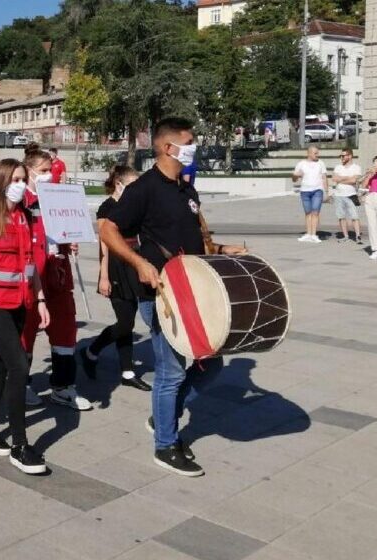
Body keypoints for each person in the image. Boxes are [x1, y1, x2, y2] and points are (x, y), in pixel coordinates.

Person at [100, 117, 247, 477]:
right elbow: (106, 228)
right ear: (168, 147)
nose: (194, 146)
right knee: (170, 373)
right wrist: (139, 263)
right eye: (189, 141)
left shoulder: (187, 191)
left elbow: (198, 239)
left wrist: (225, 249)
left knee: (210, 364)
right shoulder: (144, 189)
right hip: (161, 293)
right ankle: (166, 445)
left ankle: (162, 414)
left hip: (193, 290)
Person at [0, 158, 50, 474]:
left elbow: (31, 265)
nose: (20, 184)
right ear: (1, 182)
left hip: (21, 303)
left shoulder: (25, 217)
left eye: (22, 178)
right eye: (14, 179)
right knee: (19, 366)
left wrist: (40, 299)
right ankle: (20, 444)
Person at [20, 146, 91, 410]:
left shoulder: (59, 197)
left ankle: (63, 386)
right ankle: (21, 384)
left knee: (65, 329)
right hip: (32, 275)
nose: (50, 175)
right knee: (26, 332)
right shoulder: (20, 200)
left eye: (51, 170)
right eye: (43, 171)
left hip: (58, 272)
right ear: (29, 171)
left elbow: (64, 227)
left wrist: (70, 239)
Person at [81, 165, 151, 391]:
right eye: (133, 185)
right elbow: (105, 245)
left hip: (133, 260)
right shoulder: (107, 208)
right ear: (119, 184)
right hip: (115, 266)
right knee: (125, 322)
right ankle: (92, 350)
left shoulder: (134, 205)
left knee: (128, 319)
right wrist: (104, 276)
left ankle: (127, 371)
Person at [293, 146, 329, 243]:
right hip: (305, 191)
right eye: (315, 153)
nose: (317, 155)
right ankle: (308, 234)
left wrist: (326, 191)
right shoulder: (301, 164)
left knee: (315, 212)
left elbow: (324, 178)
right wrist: (296, 176)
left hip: (317, 190)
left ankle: (314, 234)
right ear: (309, 153)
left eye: (317, 153)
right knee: (308, 213)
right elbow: (294, 178)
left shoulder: (321, 163)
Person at [331, 148, 363, 243]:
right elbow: (334, 178)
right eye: (341, 156)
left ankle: (358, 235)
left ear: (350, 156)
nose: (342, 157)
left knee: (354, 216)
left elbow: (354, 180)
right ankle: (346, 236)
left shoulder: (356, 167)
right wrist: (347, 178)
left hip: (351, 195)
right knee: (341, 217)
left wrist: (341, 179)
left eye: (343, 155)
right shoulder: (338, 167)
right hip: (338, 195)